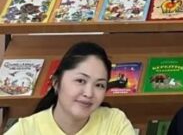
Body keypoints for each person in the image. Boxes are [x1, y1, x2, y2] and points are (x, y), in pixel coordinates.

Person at [7, 41, 135, 135]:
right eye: (80, 81)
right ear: (56, 83)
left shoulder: (115, 122)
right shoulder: (24, 131)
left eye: (99, 85)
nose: (89, 93)